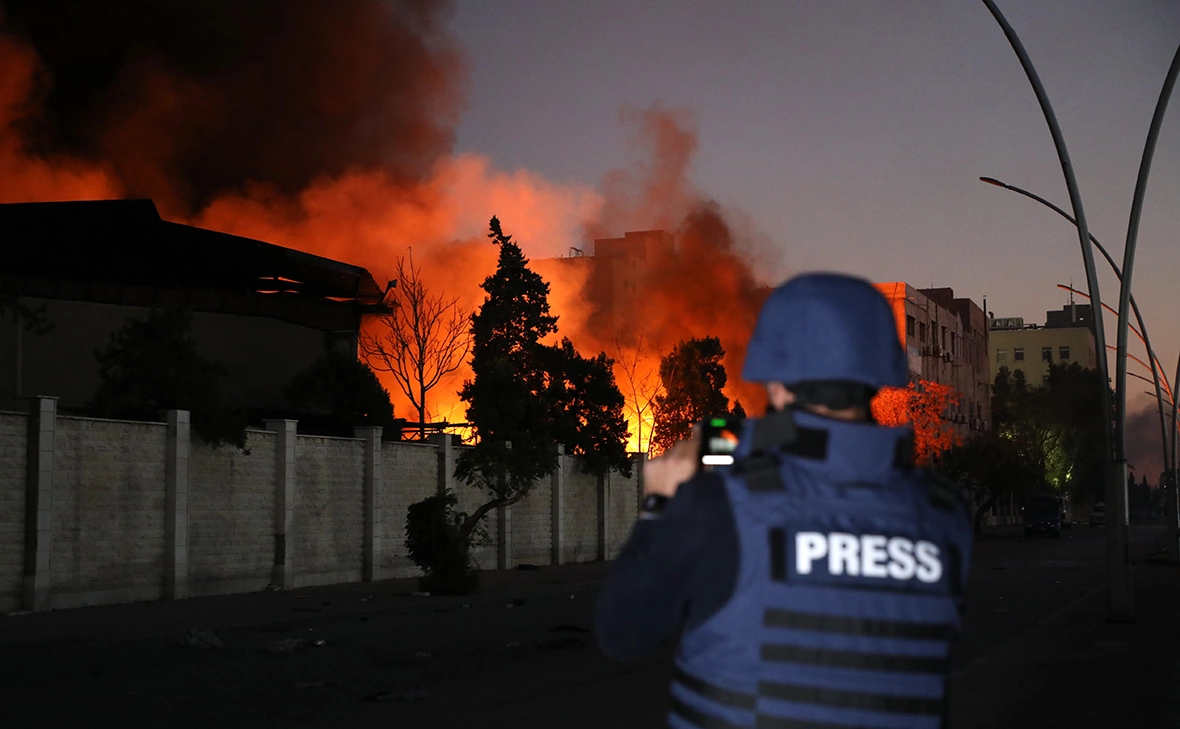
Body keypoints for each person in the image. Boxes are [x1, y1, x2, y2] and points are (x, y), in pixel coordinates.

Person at [594, 272, 973, 729]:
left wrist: (661, 504)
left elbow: (623, 634)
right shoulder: (943, 515)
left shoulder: (721, 503)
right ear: (877, 377)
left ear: (777, 384)